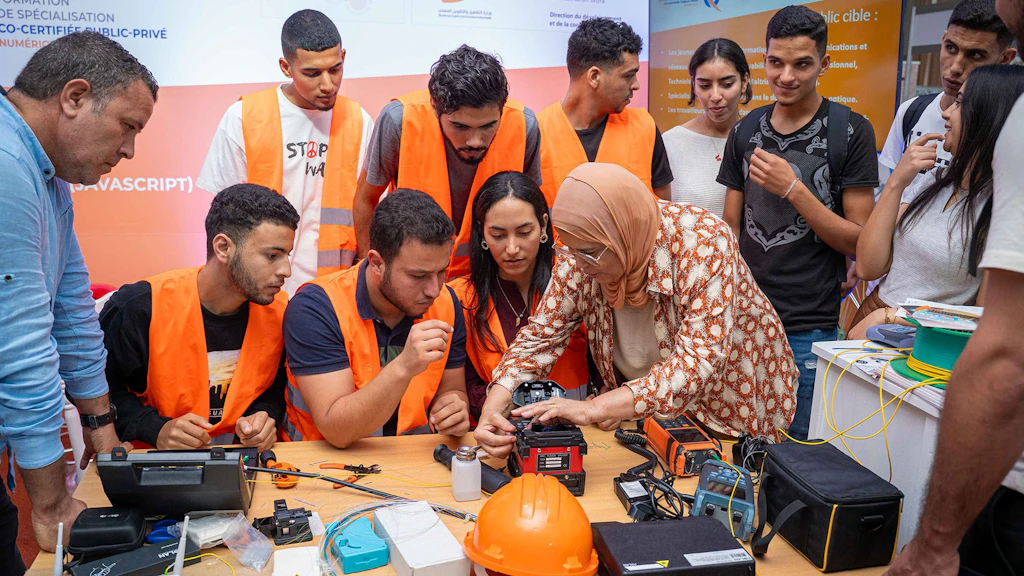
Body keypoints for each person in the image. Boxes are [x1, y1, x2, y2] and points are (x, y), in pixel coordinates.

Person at [474, 163, 797, 457]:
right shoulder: (581, 249)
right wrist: (494, 406)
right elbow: (540, 339)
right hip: (653, 420)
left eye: (589, 253)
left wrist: (593, 409)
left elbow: (698, 363)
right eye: (570, 250)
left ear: (622, 236)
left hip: (731, 419)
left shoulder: (703, 243)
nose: (579, 266)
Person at [0, 31, 156, 560]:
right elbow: (20, 352)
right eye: (128, 126)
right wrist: (50, 507)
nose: (129, 150)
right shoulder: (6, 164)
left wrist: (102, 432)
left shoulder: (48, 174)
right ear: (74, 97)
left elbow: (70, 310)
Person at [884, 1, 1024, 574]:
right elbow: (871, 259)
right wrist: (898, 182)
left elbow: (999, 347)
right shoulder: (930, 173)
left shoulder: (1001, 187)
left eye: (962, 103)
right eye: (949, 48)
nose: (946, 107)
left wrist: (933, 543)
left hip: (1001, 477)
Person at [718, 5, 878, 441]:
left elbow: (861, 242)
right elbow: (730, 230)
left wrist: (794, 189)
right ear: (764, 59)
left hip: (809, 324)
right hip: (744, 322)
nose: (786, 76)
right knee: (738, 446)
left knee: (800, 452)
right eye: (776, 62)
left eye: (802, 64)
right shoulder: (745, 130)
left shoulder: (850, 131)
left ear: (824, 64)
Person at [99, 184, 297, 452]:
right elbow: (93, 388)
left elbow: (275, 385)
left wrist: (264, 414)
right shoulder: (141, 306)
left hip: (247, 459)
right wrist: (153, 428)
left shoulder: (281, 312)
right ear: (223, 247)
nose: (286, 270)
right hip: (153, 459)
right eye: (272, 255)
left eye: (287, 255)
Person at [198, 9, 373, 294]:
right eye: (312, 73)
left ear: (343, 57)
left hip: (334, 292)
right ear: (285, 67)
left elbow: (370, 209)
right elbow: (223, 217)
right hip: (258, 291)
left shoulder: (359, 121)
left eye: (335, 69)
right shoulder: (244, 116)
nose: (327, 85)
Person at [282, 189, 471, 447]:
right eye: (418, 276)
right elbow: (337, 431)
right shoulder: (315, 308)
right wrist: (404, 366)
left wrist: (454, 408)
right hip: (320, 463)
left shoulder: (447, 302)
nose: (434, 290)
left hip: (413, 458)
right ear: (377, 263)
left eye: (441, 272)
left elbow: (452, 390)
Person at [851, 66, 1024, 338]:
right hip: (872, 319)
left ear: (988, 116)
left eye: (959, 104)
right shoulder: (934, 179)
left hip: (923, 341)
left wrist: (894, 316)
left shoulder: (1004, 210)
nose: (946, 113)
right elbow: (868, 267)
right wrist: (896, 183)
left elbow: (983, 321)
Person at [353, 45, 540, 279]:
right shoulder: (399, 120)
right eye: (460, 126)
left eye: (488, 126)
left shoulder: (525, 125)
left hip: (488, 281)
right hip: (415, 281)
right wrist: (371, 274)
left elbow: (533, 211)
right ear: (435, 107)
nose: (475, 141)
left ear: (502, 109)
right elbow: (366, 199)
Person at [448, 172, 592, 421]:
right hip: (499, 432)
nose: (512, 248)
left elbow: (605, 366)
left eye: (524, 232)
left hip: (579, 431)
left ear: (544, 225)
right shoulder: (459, 298)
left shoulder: (576, 282)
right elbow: (461, 387)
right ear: (481, 233)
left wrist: (603, 398)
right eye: (498, 235)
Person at [878, 0, 1015, 193]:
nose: (956, 67)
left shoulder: (1010, 132)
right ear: (943, 40)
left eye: (975, 55)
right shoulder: (911, 111)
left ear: (1005, 59)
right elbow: (892, 190)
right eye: (951, 48)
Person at [538, 17, 673, 204]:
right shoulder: (537, 134)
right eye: (628, 76)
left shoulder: (645, 128)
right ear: (594, 76)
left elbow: (666, 212)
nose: (636, 85)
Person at [663, 38, 752, 216]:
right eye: (705, 86)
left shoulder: (757, 139)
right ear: (693, 85)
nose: (715, 96)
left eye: (727, 85)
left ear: (744, 82)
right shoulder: (671, 142)